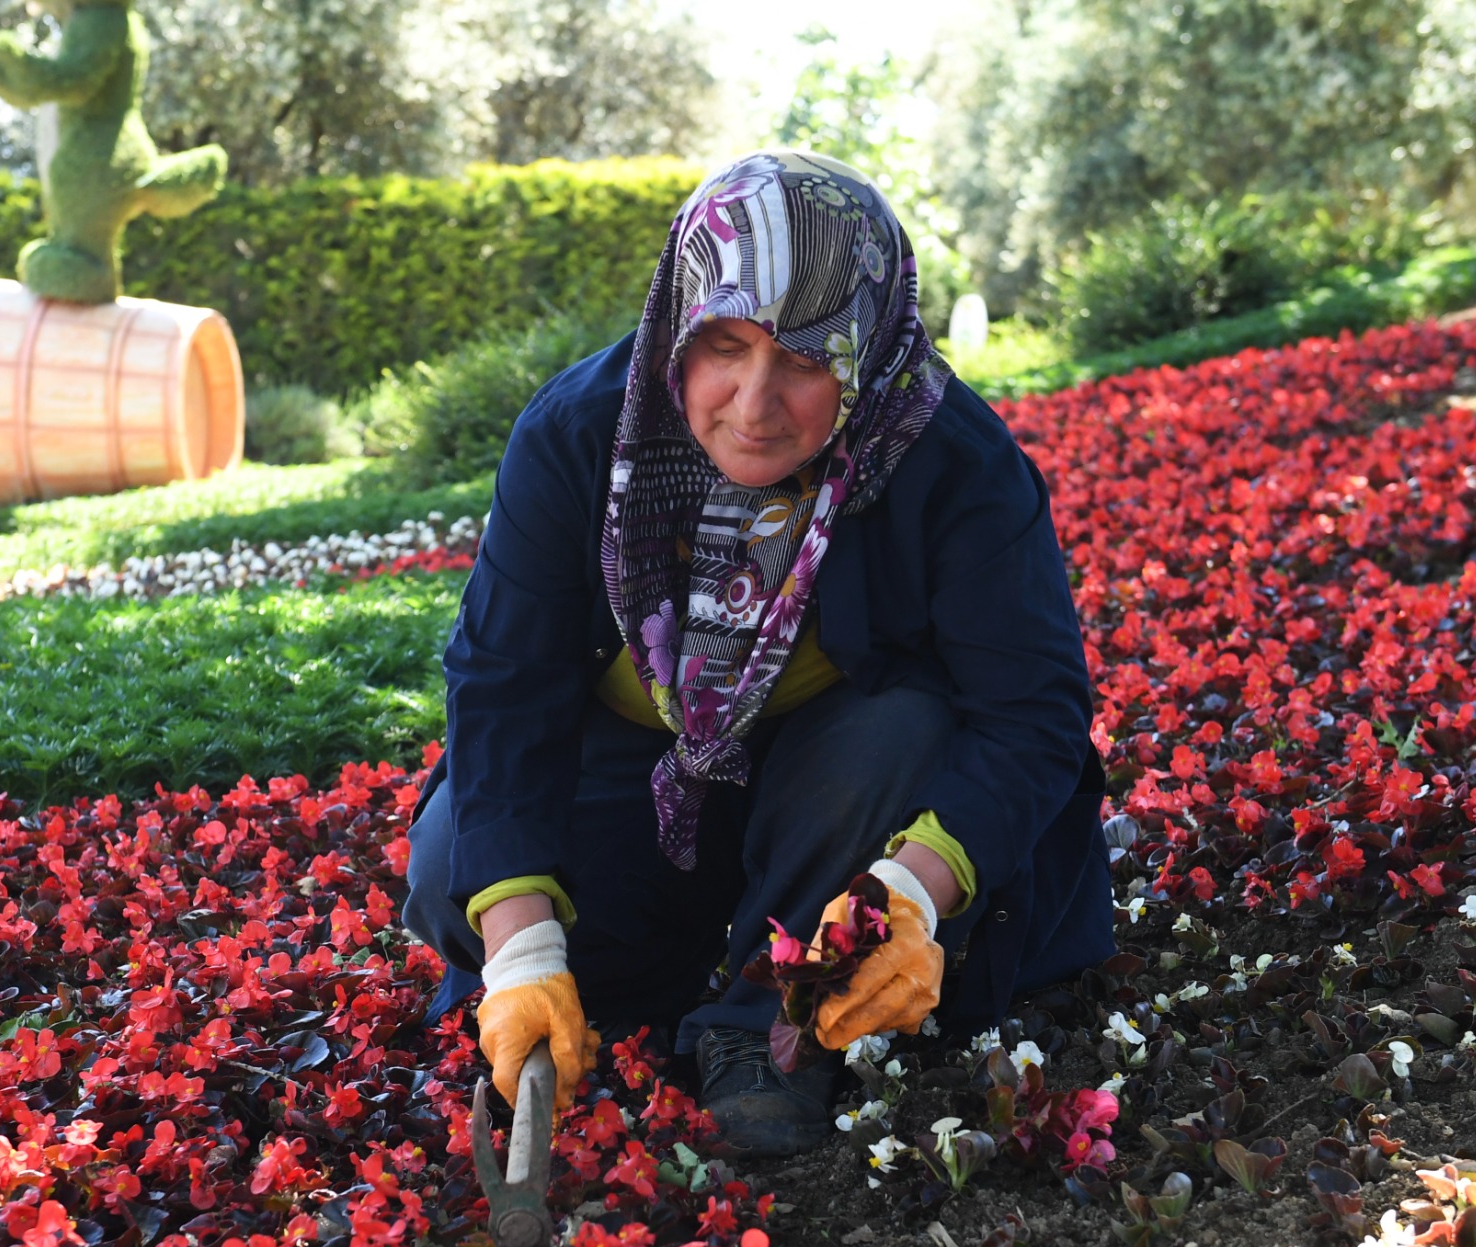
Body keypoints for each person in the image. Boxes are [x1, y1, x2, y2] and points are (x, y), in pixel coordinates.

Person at [404, 150, 1111, 1156]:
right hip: (635, 777)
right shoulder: (576, 435)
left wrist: (913, 892)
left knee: (904, 725)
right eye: (724, 347)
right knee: (451, 863)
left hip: (844, 797)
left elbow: (1032, 713)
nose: (751, 404)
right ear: (677, 326)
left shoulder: (954, 460)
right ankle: (639, 968)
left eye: (808, 362)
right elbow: (501, 682)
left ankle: (765, 1022)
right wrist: (521, 950)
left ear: (868, 349)